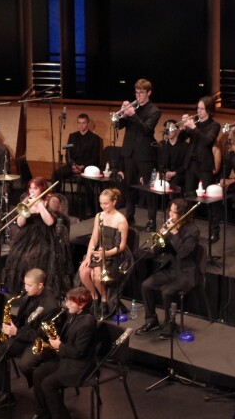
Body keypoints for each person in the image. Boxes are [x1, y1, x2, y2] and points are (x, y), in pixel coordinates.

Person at [0, 268, 60, 411]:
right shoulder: (27, 296)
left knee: (25, 364)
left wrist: (16, 331)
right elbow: (20, 318)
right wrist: (9, 325)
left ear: (40, 285)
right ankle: (5, 395)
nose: (25, 288)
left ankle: (41, 394)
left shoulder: (51, 307)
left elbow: (41, 336)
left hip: (38, 343)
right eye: (25, 284)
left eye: (29, 285)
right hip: (23, 337)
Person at [26, 286, 96, 419]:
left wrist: (59, 345)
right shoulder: (73, 315)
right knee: (38, 373)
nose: (67, 304)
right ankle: (42, 412)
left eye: (71, 302)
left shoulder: (87, 323)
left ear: (82, 304)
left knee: (48, 384)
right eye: (67, 300)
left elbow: (78, 352)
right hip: (66, 359)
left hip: (79, 366)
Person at [136, 198, 203, 339]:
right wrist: (160, 238)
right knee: (146, 285)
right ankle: (151, 321)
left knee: (167, 292)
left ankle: (169, 324)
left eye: (175, 212)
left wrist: (174, 234)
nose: (170, 215)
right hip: (171, 268)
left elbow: (183, 252)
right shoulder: (170, 226)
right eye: (170, 211)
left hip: (186, 272)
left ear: (183, 214)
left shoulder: (193, 231)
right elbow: (158, 252)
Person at [0, 177, 71, 300]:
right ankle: (22, 286)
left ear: (42, 188)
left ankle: (38, 288)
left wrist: (39, 205)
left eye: (35, 188)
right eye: (30, 188)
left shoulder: (50, 200)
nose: (32, 191)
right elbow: (20, 224)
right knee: (17, 254)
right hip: (28, 234)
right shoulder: (27, 200)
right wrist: (25, 208)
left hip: (46, 234)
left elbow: (49, 222)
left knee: (34, 256)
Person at [115, 79, 161, 232]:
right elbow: (119, 125)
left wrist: (133, 115)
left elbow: (146, 130)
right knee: (129, 186)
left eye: (141, 92)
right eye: (136, 92)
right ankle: (130, 214)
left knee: (149, 188)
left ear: (149, 93)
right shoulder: (132, 107)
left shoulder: (154, 111)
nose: (138, 95)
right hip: (129, 152)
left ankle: (151, 220)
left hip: (145, 154)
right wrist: (121, 114)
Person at [78, 188, 129, 319]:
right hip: (99, 252)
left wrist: (106, 254)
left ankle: (104, 299)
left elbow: (121, 246)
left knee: (97, 275)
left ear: (114, 202)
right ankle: (95, 297)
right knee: (83, 271)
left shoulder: (121, 220)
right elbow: (94, 238)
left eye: (106, 203)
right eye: (101, 203)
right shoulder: (99, 216)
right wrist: (88, 256)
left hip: (113, 254)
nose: (103, 206)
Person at [179, 95, 222, 242]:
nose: (198, 111)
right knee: (188, 198)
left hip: (204, 165)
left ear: (209, 110)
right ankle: (187, 230)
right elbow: (180, 140)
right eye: (198, 108)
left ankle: (215, 231)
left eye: (201, 108)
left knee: (210, 198)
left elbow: (207, 141)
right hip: (191, 164)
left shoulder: (214, 125)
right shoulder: (194, 124)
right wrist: (184, 127)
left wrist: (193, 127)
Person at [157, 119, 189, 192]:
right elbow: (159, 162)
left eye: (170, 129)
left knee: (174, 184)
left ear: (177, 131)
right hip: (165, 174)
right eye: (166, 129)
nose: (168, 132)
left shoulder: (185, 146)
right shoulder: (161, 144)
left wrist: (174, 173)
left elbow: (186, 165)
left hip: (179, 175)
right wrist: (164, 174)